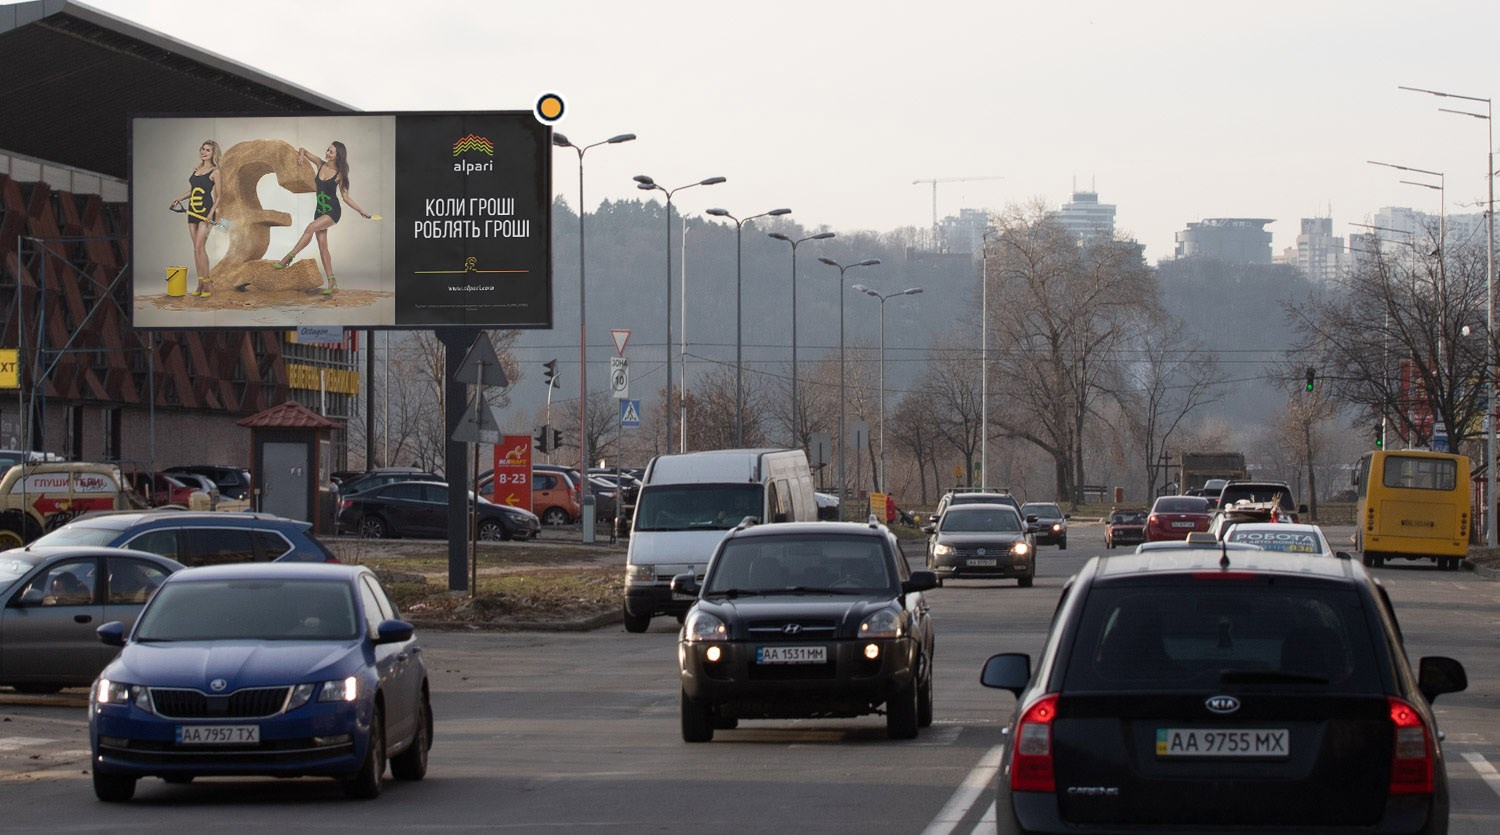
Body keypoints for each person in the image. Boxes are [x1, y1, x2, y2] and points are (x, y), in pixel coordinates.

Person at [273, 141, 374, 295]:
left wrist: (361, 210)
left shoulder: (340, 174)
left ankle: (288, 258)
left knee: (310, 227)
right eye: (327, 150)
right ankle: (332, 281)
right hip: (319, 211)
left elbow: (346, 197)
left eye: (331, 152)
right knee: (322, 248)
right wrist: (300, 156)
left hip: (332, 212)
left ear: (338, 155)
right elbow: (303, 149)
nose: (327, 153)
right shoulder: (320, 164)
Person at [169, 139, 221, 297]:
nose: (204, 152)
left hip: (205, 212)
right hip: (192, 211)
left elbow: (219, 196)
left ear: (213, 153)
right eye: (203, 149)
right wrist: (179, 198)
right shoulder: (197, 170)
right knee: (195, 249)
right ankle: (199, 284)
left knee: (200, 248)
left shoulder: (215, 171)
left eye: (208, 150)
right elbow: (193, 190)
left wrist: (211, 213)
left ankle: (207, 284)